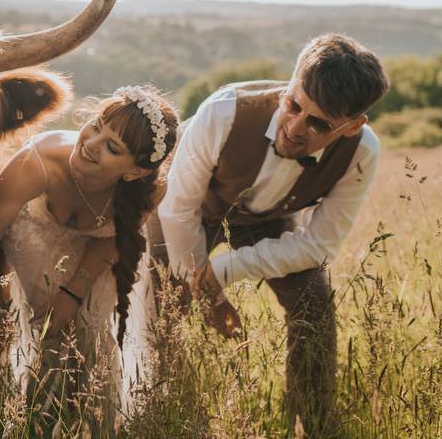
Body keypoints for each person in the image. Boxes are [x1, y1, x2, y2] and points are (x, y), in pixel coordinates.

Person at [155, 33, 389, 435]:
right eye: (293, 105)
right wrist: (208, 293)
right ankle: (164, 410)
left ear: (353, 127)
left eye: (318, 124)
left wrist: (227, 269)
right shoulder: (224, 112)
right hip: (189, 209)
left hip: (268, 220)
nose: (295, 128)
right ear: (290, 82)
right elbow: (177, 209)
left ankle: (313, 420)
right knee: (162, 298)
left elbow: (320, 245)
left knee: (314, 302)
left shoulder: (361, 152)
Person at [0, 85, 178, 425]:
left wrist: (72, 293)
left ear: (134, 171)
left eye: (112, 147)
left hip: (97, 252)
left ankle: (94, 423)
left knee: (92, 332)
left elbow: (113, 240)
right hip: (33, 234)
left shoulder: (151, 188)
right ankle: (36, 421)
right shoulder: (37, 161)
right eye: (96, 125)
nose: (92, 144)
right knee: (47, 332)